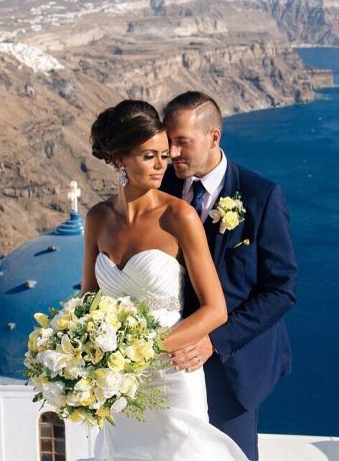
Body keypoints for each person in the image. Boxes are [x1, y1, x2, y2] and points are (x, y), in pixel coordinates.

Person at [81, 100, 248, 461]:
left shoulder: (179, 216)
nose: (162, 164)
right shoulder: (97, 219)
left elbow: (216, 310)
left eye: (164, 155)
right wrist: (85, 353)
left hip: (172, 373)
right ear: (120, 159)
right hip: (118, 382)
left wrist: (145, 351)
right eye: (149, 156)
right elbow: (88, 302)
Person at [160, 91, 298, 461]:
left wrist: (214, 341)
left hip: (232, 368)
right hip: (168, 365)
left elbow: (281, 289)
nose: (172, 154)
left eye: (182, 143)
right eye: (168, 142)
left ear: (213, 137)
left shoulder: (261, 196)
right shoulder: (162, 190)